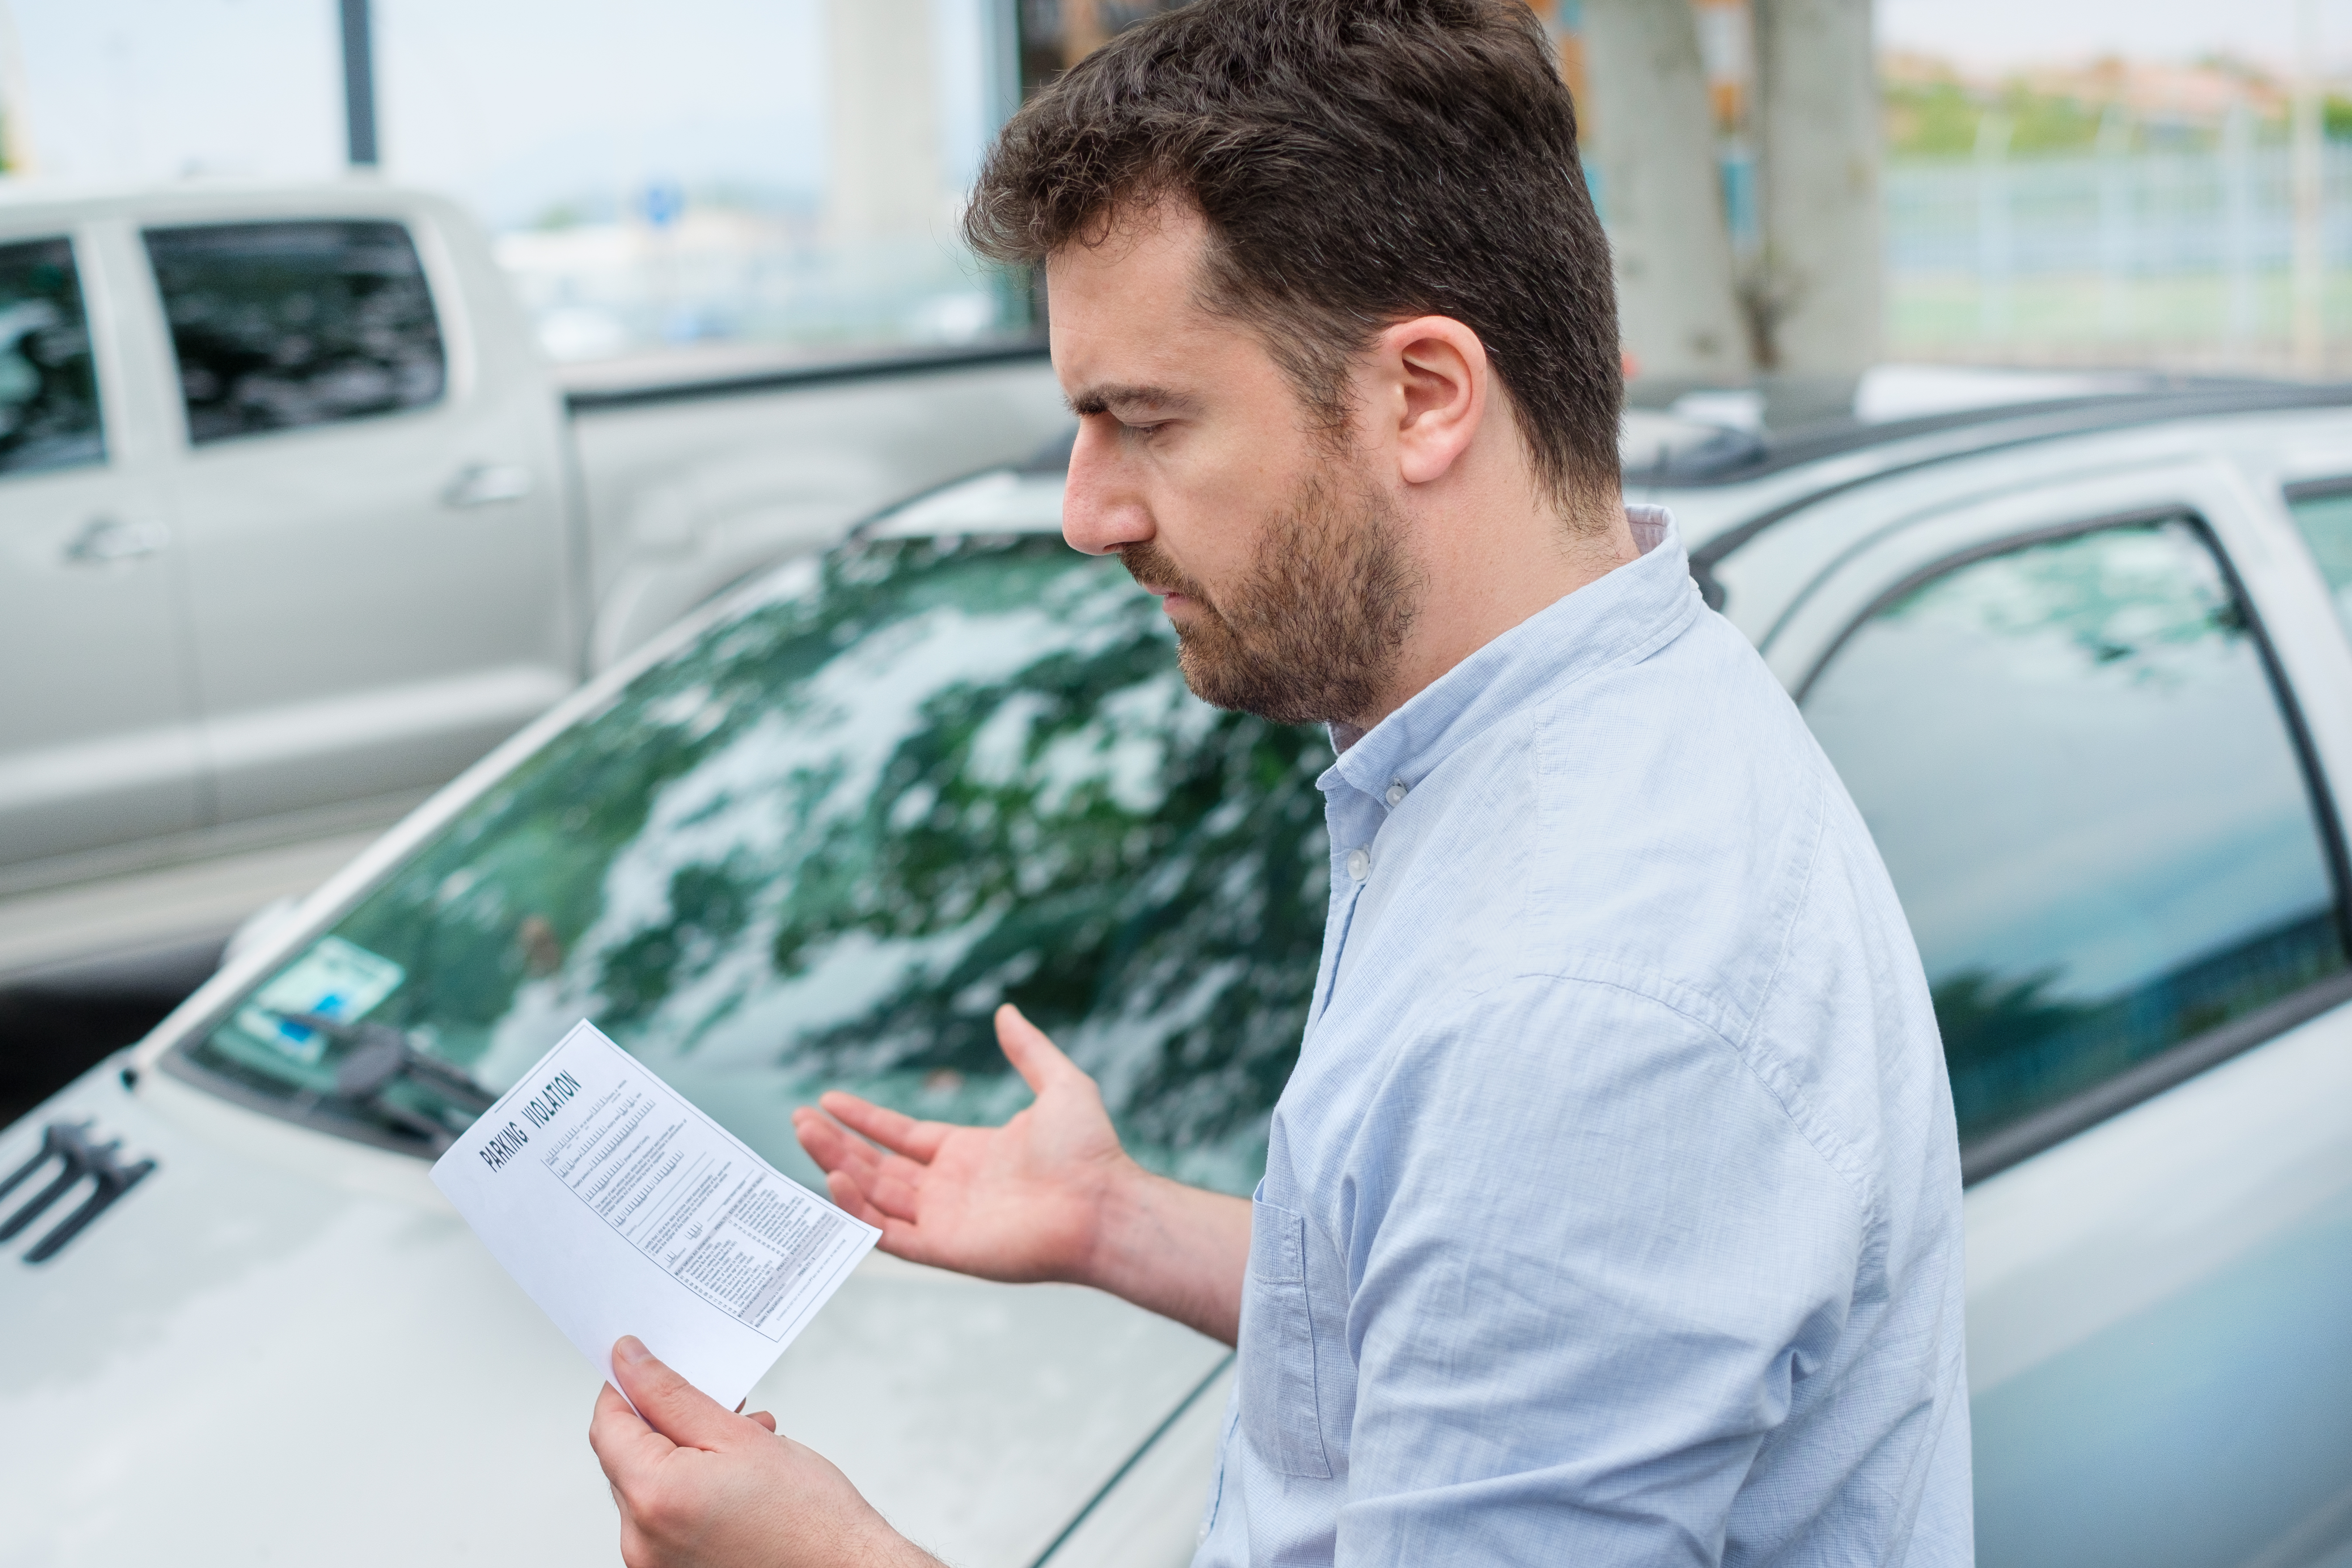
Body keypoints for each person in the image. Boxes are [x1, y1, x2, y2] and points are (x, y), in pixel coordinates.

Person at [587, 1, 1973, 1563]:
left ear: (1424, 396)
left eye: (1146, 421)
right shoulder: (1573, 725)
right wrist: (1122, 1224)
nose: (1087, 511)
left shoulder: (1581, 1003)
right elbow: (1463, 1325)